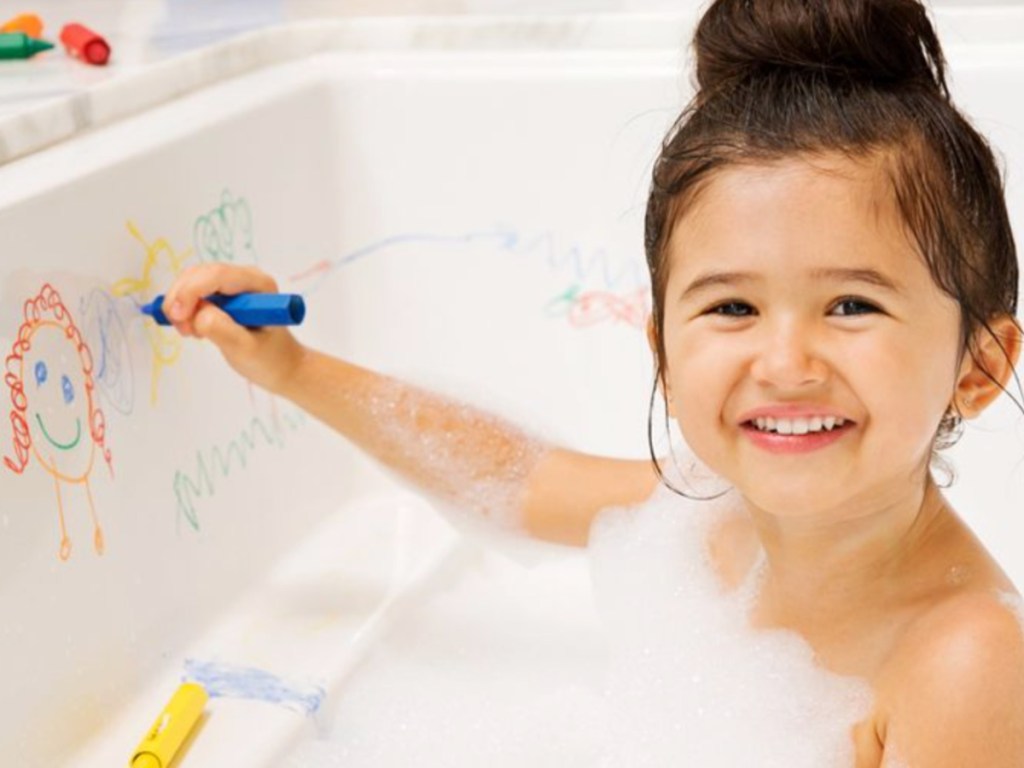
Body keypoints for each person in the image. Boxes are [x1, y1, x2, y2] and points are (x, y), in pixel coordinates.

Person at [163, 0, 1024, 763]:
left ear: (980, 367)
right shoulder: (712, 514)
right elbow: (515, 476)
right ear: (661, 349)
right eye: (731, 308)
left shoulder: (966, 666)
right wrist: (292, 368)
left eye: (850, 305)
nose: (785, 364)